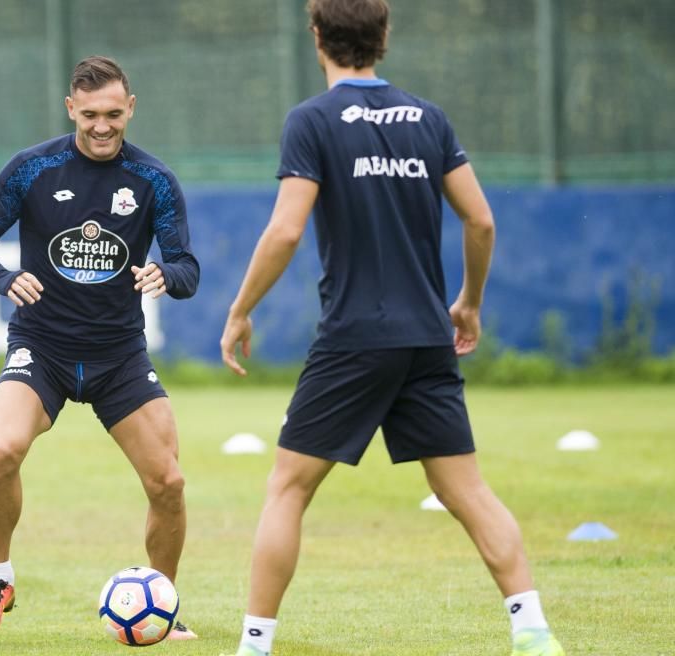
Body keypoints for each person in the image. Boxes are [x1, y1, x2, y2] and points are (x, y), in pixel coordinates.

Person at [218, 2, 565, 655]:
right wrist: (468, 302)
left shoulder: (312, 121)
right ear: (384, 36)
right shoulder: (428, 119)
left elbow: (287, 228)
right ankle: (533, 628)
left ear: (317, 36)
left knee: (288, 487)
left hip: (354, 337)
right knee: (464, 488)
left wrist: (240, 310)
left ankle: (255, 646)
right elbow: (482, 220)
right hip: (427, 336)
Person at [0, 55, 199, 640]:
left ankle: (161, 603)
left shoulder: (153, 180)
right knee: (2, 451)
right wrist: (3, 278)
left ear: (131, 108)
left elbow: (187, 267)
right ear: (71, 108)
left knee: (167, 483)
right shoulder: (32, 169)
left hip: (119, 355)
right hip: (42, 347)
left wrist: (165, 274)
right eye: (90, 114)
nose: (102, 126)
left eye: (114, 114)